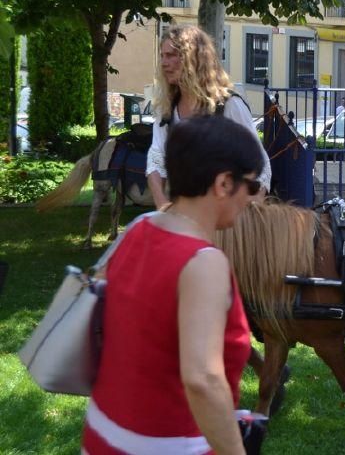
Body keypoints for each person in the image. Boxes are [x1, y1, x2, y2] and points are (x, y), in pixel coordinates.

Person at [83, 115, 264, 454]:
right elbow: (203, 380)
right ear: (224, 183)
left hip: (103, 434)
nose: (253, 199)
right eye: (251, 186)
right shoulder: (203, 262)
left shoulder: (138, 228)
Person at [147, 25, 271, 209]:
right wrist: (163, 206)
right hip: (186, 218)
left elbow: (260, 163)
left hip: (226, 218)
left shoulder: (228, 106)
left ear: (193, 59)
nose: (164, 63)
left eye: (172, 55)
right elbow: (156, 160)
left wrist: (249, 209)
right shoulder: (167, 110)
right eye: (163, 56)